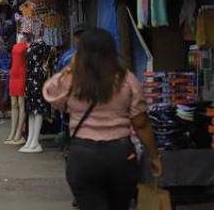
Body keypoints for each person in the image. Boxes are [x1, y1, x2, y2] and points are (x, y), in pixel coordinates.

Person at [44, 28, 162, 210]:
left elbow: (51, 95)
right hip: (120, 156)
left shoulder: (71, 80)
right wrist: (154, 156)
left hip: (82, 156)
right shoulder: (126, 79)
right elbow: (141, 123)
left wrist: (71, 67)